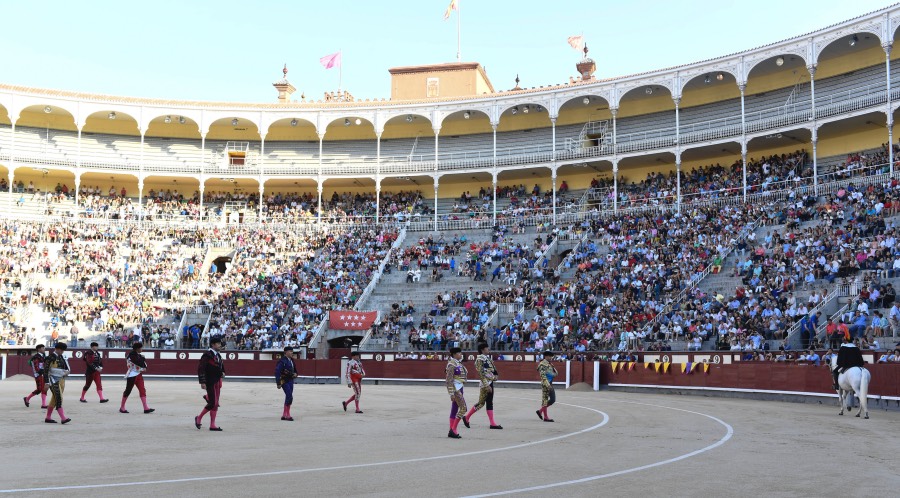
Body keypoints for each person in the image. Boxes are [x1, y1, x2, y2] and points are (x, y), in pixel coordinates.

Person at [462, 342, 502, 429]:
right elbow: (480, 373)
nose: (488, 349)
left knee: (488, 402)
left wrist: (496, 374)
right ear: (482, 350)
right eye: (487, 348)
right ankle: (467, 417)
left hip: (489, 382)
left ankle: (492, 423)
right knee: (481, 403)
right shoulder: (480, 359)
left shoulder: (486, 358)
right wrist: (486, 385)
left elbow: (493, 369)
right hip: (486, 383)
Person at [196, 337, 225, 431]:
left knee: (215, 404)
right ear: (213, 345)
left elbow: (221, 367)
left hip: (217, 381)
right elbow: (201, 369)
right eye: (218, 344)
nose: (220, 345)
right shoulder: (207, 355)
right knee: (213, 403)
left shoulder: (218, 356)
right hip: (210, 381)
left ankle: (212, 425)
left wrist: (223, 372)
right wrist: (202, 382)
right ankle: (199, 417)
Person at [120, 343, 154, 414]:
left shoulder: (138, 355)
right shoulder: (132, 355)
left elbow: (143, 364)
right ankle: (122, 407)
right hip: (132, 375)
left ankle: (146, 408)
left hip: (138, 374)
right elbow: (139, 362)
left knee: (142, 390)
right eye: (141, 348)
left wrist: (144, 366)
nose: (142, 349)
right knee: (128, 391)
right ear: (137, 348)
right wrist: (143, 358)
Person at [43, 343, 71, 424]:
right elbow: (46, 371)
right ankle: (63, 418)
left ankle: (48, 417)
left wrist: (67, 371)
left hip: (62, 379)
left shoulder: (61, 357)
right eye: (61, 350)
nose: (62, 352)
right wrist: (46, 382)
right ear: (57, 349)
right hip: (53, 380)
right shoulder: (50, 357)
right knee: (59, 398)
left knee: (54, 399)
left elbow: (65, 367)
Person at [445, 347, 467, 439]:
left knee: (454, 408)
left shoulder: (457, 363)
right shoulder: (451, 364)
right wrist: (451, 393)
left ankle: (452, 429)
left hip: (460, 386)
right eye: (459, 353)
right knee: (463, 409)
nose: (460, 355)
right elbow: (449, 380)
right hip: (456, 388)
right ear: (454, 354)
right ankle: (453, 429)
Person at [275, 346, 299, 421]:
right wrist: (278, 382)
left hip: (291, 380)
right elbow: (277, 371)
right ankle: (287, 415)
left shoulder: (292, 360)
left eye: (292, 351)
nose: (292, 353)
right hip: (284, 381)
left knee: (288, 396)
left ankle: (284, 414)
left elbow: (295, 370)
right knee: (289, 396)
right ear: (286, 352)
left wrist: (296, 374)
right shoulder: (282, 361)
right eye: (290, 351)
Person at [23, 344, 47, 409]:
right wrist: (39, 372)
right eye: (42, 348)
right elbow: (36, 366)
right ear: (38, 349)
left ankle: (27, 398)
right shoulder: (37, 357)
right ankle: (43, 404)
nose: (44, 349)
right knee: (41, 389)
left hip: (43, 374)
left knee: (41, 389)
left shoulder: (43, 356)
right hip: (39, 374)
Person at [536, 350, 558, 422]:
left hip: (550, 383)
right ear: (545, 356)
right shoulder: (542, 364)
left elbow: (556, 374)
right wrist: (548, 385)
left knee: (552, 400)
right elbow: (543, 376)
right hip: (546, 384)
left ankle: (540, 411)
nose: (551, 357)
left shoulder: (550, 364)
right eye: (549, 356)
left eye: (551, 356)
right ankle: (545, 417)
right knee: (545, 400)